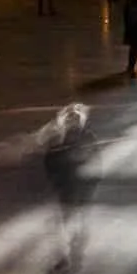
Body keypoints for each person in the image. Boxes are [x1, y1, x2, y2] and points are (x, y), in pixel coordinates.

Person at [37, 104, 99, 265]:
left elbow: (49, 160)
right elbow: (93, 160)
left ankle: (66, 247)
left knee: (66, 215)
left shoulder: (59, 139)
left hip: (68, 183)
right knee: (74, 214)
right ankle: (72, 242)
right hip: (75, 183)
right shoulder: (86, 138)